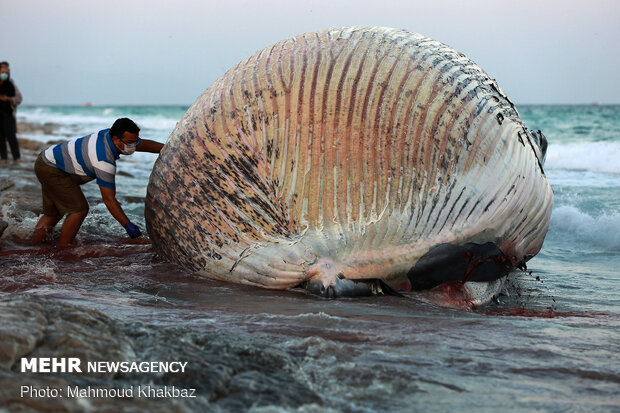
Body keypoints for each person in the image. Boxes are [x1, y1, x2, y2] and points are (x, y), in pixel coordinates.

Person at [30, 118, 164, 246]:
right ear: (116, 139)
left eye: (135, 141)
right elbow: (109, 199)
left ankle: (35, 247)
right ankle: (64, 249)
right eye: (130, 142)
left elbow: (143, 144)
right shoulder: (103, 160)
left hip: (46, 160)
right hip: (53, 169)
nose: (133, 146)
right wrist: (128, 226)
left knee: (53, 213)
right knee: (79, 209)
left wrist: (167, 149)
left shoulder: (109, 134)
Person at [0, 61, 23, 163]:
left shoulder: (11, 84)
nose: (4, 74)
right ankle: (3, 158)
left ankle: (17, 158)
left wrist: (8, 99)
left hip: (8, 115)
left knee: (11, 136)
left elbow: (19, 98)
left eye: (6, 71)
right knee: (0, 137)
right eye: (2, 71)